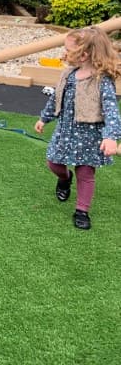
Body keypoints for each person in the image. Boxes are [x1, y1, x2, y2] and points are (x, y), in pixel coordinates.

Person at [34, 27, 121, 230]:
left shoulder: (102, 81)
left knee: (86, 173)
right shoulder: (68, 75)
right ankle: (65, 179)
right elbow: (56, 98)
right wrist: (44, 119)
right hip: (64, 133)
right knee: (53, 164)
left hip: (89, 137)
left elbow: (111, 112)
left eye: (67, 50)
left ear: (83, 55)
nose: (63, 54)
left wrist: (110, 137)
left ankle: (82, 210)